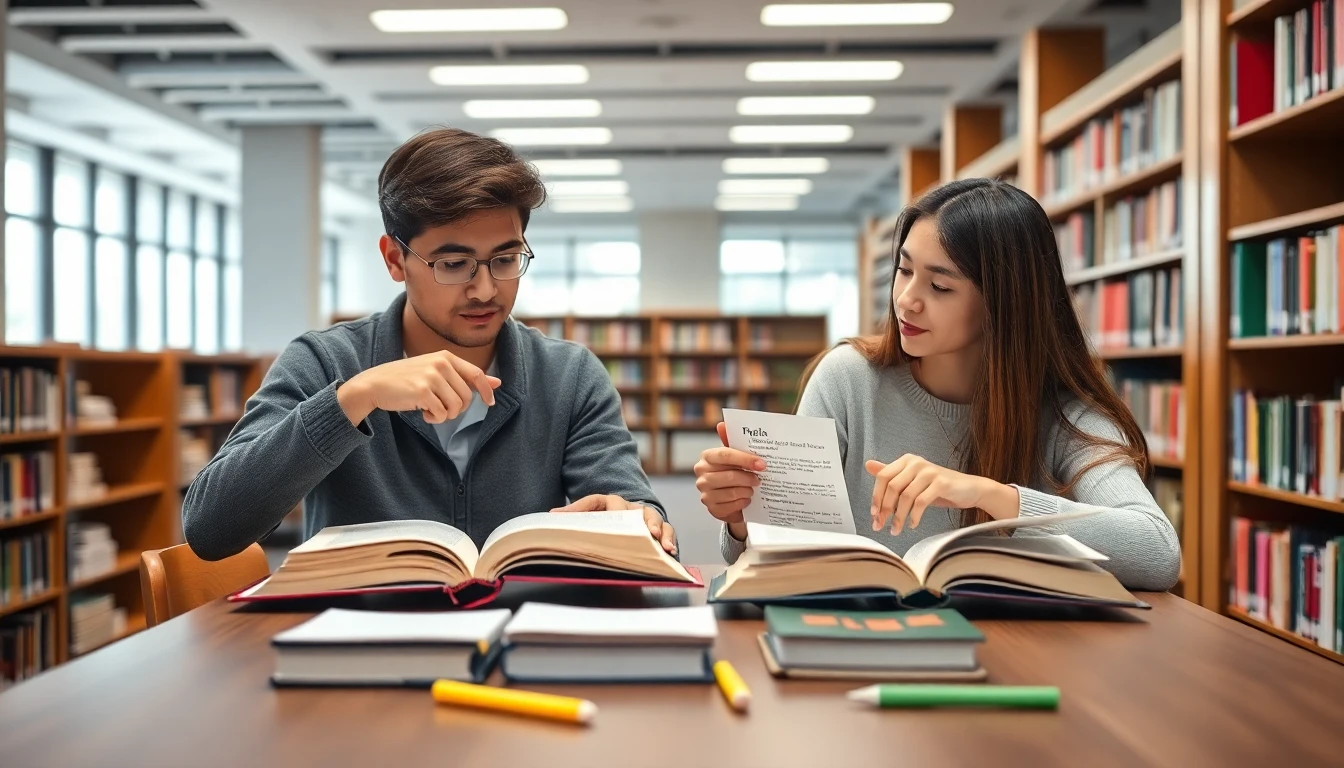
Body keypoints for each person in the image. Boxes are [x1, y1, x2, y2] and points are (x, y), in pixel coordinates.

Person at [183, 127, 674, 561]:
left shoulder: (569, 375)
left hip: (520, 627)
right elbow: (210, 529)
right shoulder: (325, 361)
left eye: (505, 259)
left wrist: (635, 517)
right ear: (394, 259)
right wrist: (354, 398)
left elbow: (632, 506)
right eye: (454, 265)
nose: (485, 290)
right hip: (359, 633)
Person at [694, 178, 1180, 591]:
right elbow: (773, 553)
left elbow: (1158, 551)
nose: (906, 300)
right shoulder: (847, 379)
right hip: (860, 633)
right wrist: (740, 518)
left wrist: (989, 495)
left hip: (1011, 652)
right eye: (904, 270)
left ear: (1004, 303)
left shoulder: (1063, 410)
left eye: (939, 286)